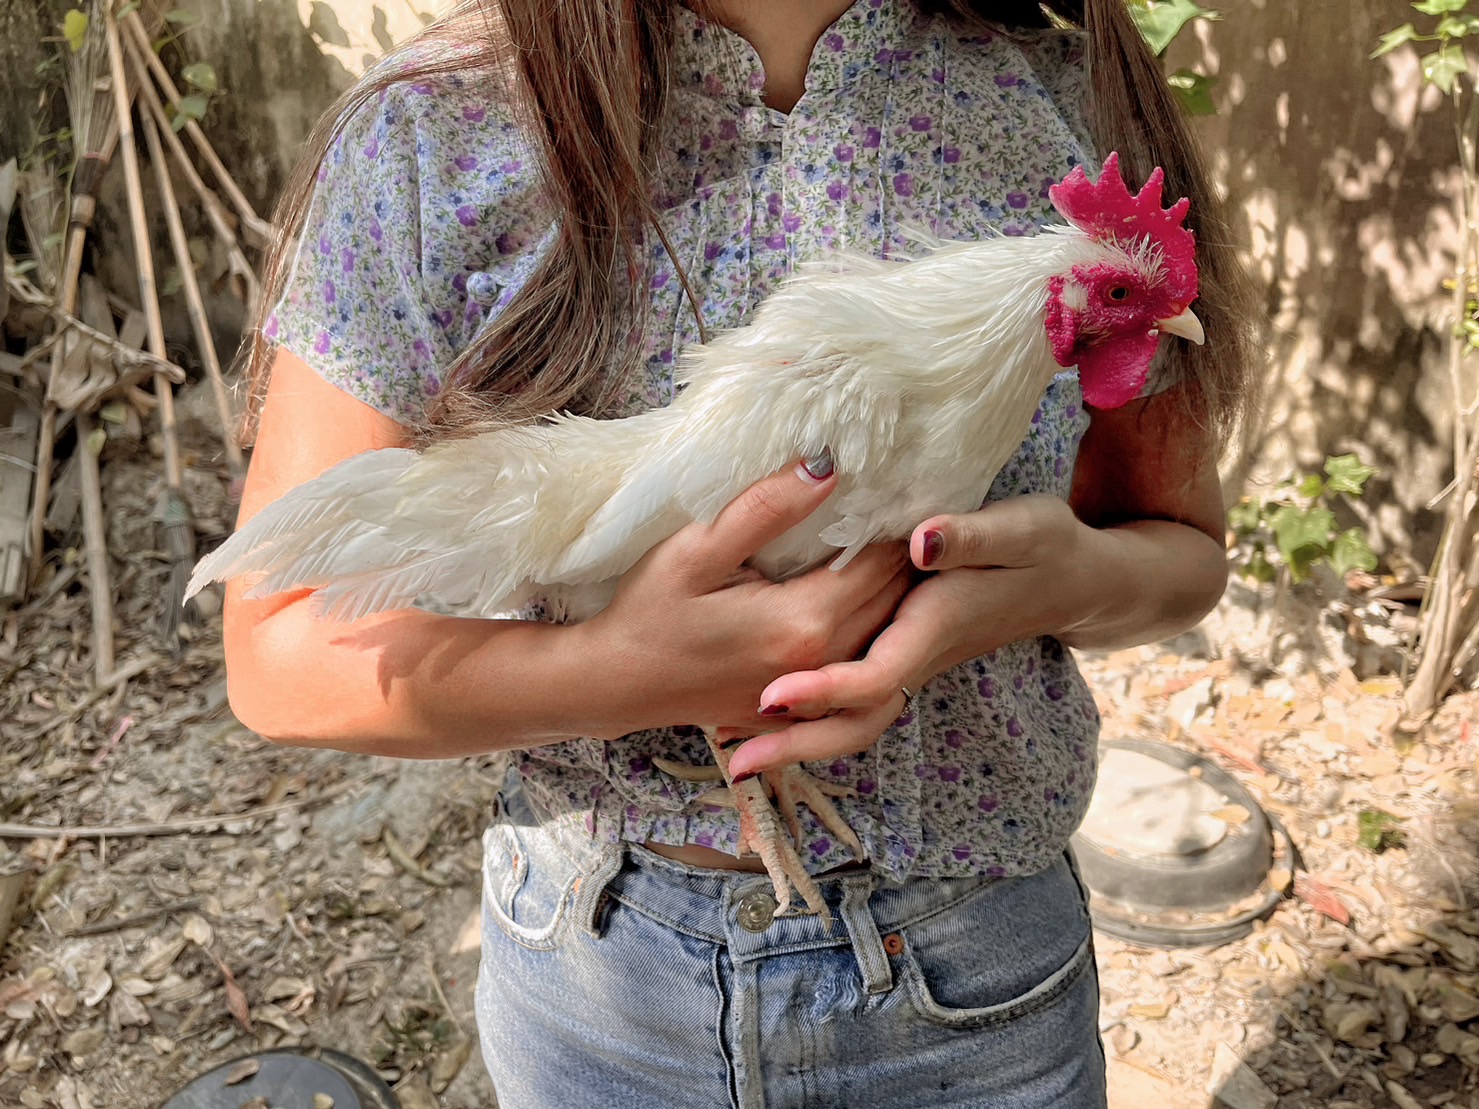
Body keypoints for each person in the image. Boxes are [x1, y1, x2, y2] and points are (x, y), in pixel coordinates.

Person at [222, 0, 1258, 1104]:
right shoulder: (437, 128)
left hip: (981, 965)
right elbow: (280, 654)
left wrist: (1058, 584)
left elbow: (1183, 554)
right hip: (602, 968)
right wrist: (636, 669)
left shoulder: (1065, 99)